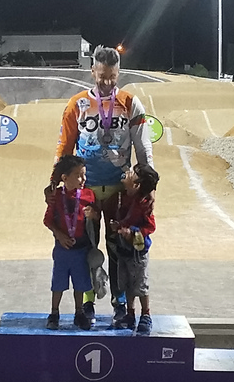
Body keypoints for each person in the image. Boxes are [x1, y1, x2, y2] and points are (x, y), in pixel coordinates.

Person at [48, 45, 154, 327]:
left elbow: (143, 147)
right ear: (92, 70)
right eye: (102, 75)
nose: (107, 82)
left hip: (120, 190)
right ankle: (87, 302)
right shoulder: (77, 104)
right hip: (86, 189)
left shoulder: (130, 102)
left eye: (112, 77)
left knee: (119, 247)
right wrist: (54, 181)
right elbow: (64, 146)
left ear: (119, 73)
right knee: (86, 247)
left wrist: (148, 185)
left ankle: (120, 302)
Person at [43, 155, 98, 330]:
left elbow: (96, 217)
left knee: (80, 282)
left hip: (81, 248)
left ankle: (79, 312)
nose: (83, 179)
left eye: (84, 174)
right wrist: (59, 235)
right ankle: (54, 313)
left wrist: (94, 215)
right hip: (62, 248)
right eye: (78, 175)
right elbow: (47, 220)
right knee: (58, 282)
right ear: (65, 178)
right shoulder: (56, 196)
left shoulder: (89, 195)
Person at [105, 163, 159, 334]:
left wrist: (134, 232)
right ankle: (130, 313)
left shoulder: (144, 203)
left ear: (137, 185)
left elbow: (150, 226)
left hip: (137, 252)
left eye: (133, 173)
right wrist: (118, 226)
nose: (128, 172)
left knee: (140, 284)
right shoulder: (122, 197)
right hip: (123, 249)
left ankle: (146, 314)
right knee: (127, 283)